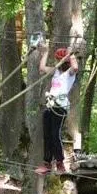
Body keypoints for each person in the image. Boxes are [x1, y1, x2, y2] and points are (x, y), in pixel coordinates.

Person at [35, 42, 78, 175]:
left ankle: (60, 163)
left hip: (60, 107)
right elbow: (41, 69)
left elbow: (75, 67)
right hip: (50, 105)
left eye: (59, 60)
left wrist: (72, 54)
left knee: (55, 134)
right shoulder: (56, 71)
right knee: (47, 135)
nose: (58, 62)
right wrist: (46, 51)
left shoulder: (70, 73)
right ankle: (47, 163)